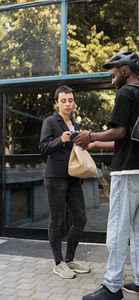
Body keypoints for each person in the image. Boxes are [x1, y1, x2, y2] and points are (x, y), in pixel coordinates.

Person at [74, 51, 139, 299]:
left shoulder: (126, 93)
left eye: (113, 72)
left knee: (118, 229)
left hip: (127, 170)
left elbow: (119, 132)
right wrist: (97, 145)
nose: (111, 77)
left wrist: (91, 135)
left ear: (126, 70)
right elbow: (129, 138)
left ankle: (112, 286)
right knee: (138, 229)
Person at [39, 85, 90, 279]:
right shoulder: (50, 122)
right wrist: (60, 140)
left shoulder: (75, 124)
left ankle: (70, 259)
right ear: (57, 102)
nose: (68, 104)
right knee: (57, 221)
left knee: (80, 219)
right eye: (63, 101)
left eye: (70, 100)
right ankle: (59, 263)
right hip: (55, 178)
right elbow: (43, 148)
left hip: (74, 177)